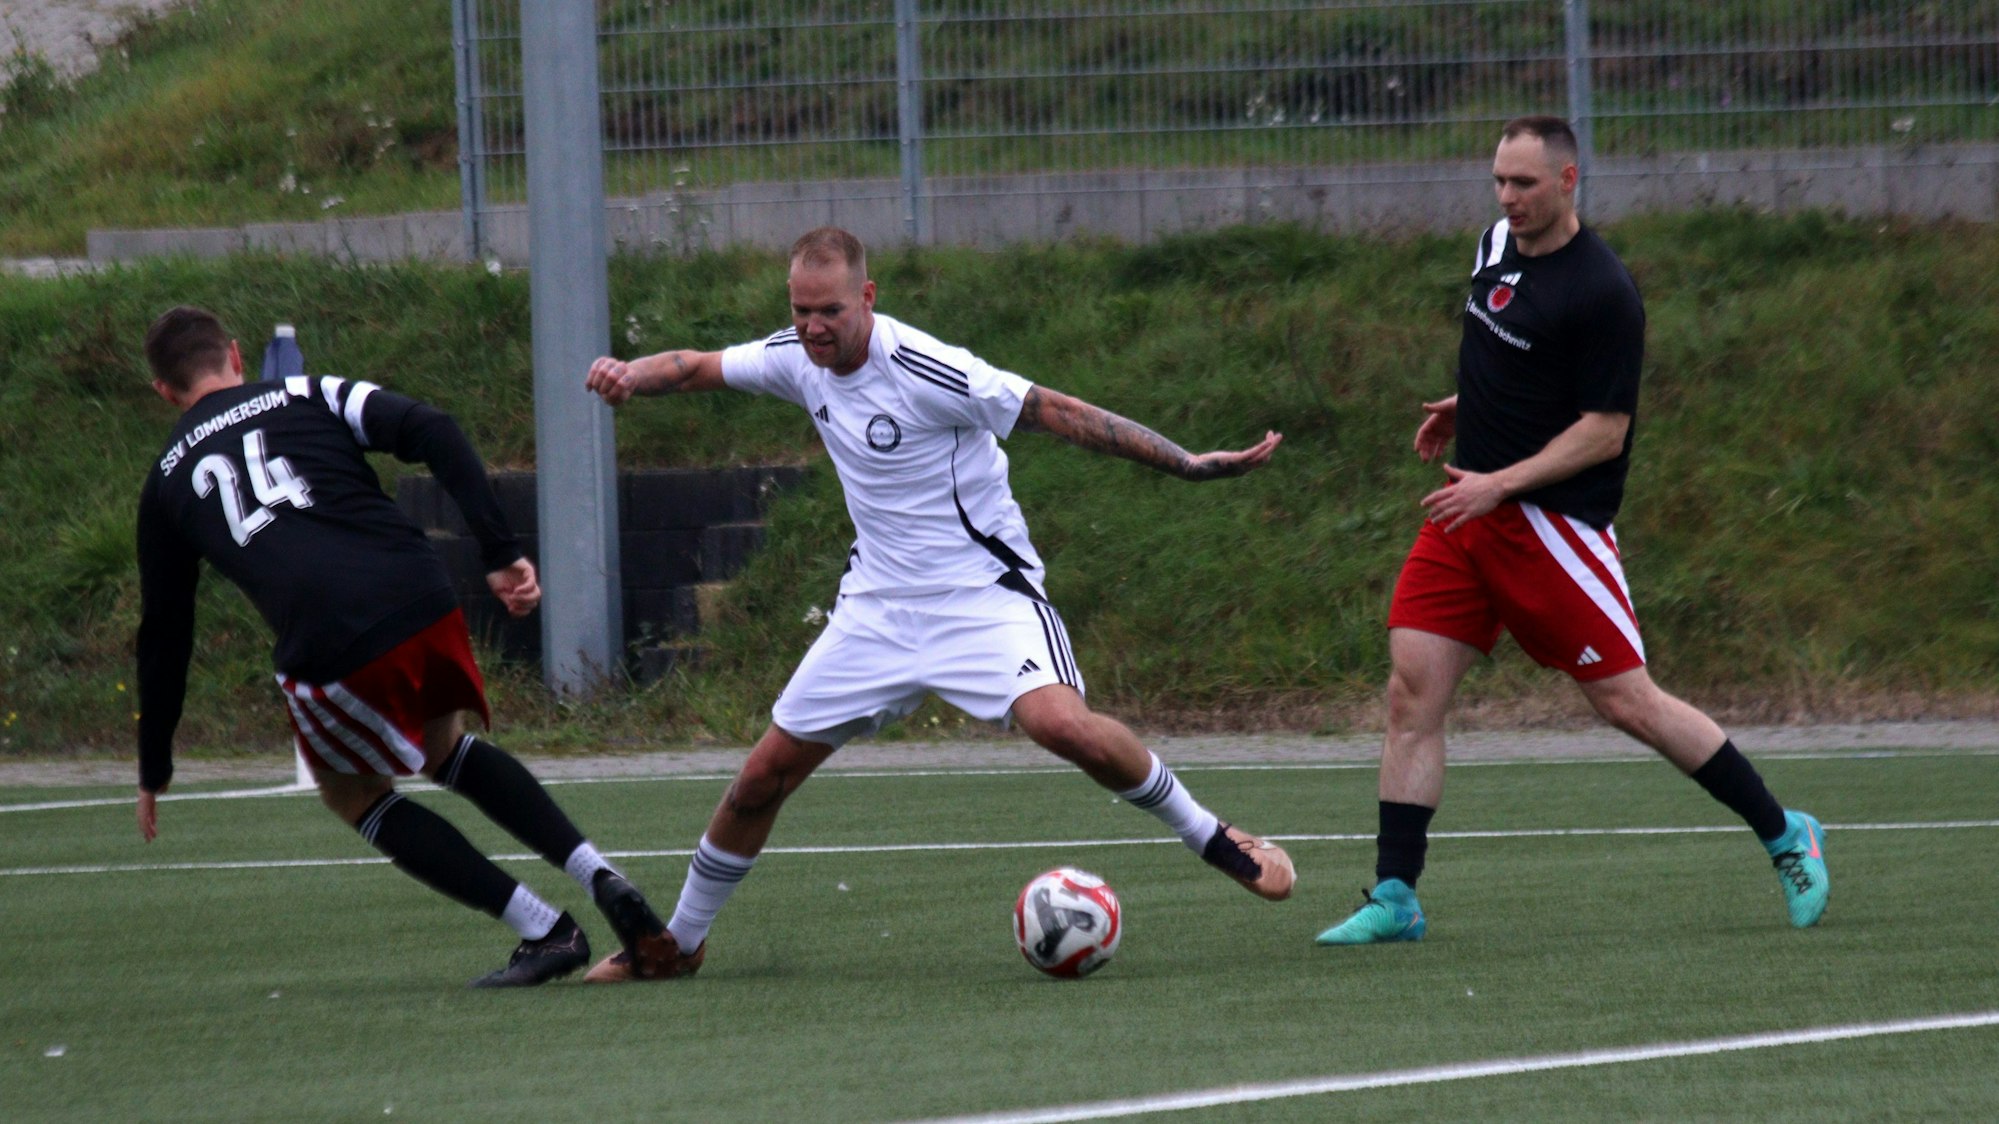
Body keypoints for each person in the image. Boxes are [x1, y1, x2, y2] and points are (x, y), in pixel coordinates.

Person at [578, 226, 1294, 981]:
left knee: (1063, 727)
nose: (813, 327)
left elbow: (1057, 411)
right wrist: (631, 374)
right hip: (876, 610)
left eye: (829, 310)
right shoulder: (795, 358)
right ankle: (678, 945)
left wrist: (1185, 463)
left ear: (867, 297)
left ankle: (1212, 836)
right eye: (799, 310)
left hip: (982, 597)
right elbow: (696, 366)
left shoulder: (928, 369)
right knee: (761, 777)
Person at [1315, 117, 1829, 947]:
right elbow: (1511, 355)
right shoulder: (1493, 246)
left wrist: (1501, 484)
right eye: (1498, 181)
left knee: (1627, 703)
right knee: (1411, 694)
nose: (1506, 198)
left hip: (1550, 527)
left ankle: (1784, 833)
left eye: (1522, 183)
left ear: (1566, 180)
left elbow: (1602, 431)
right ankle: (1395, 895)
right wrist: (1465, 408)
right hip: (1465, 511)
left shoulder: (1603, 292)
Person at [134, 306, 676, 987]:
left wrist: (154, 763)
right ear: (236, 356)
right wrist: (499, 551)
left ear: (164, 392)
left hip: (330, 635)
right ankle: (600, 874)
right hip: (421, 593)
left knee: (352, 794)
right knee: (443, 748)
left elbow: (165, 631)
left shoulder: (164, 484)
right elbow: (433, 428)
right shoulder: (308, 392)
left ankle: (544, 929)